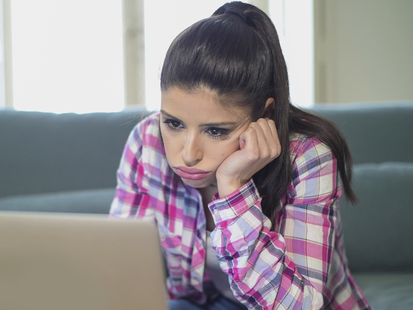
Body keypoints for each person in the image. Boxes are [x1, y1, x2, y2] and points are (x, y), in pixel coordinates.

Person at [110, 2, 371, 309]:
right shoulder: (147, 141)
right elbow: (121, 265)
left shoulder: (309, 158)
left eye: (216, 131)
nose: (189, 154)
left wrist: (233, 189)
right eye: (174, 123)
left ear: (265, 114)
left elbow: (301, 305)